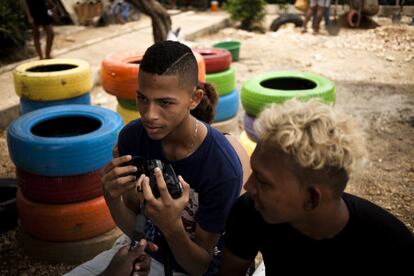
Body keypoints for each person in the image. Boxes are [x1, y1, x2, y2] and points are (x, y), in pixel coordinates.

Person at [66, 40, 244, 276]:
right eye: (142, 98)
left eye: (165, 102)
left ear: (194, 99)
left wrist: (171, 228)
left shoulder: (221, 166)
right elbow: (136, 225)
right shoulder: (133, 137)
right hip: (141, 255)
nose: (149, 115)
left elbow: (199, 265)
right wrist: (111, 198)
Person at [218, 99, 414, 274]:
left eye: (263, 181)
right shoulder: (251, 211)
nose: (248, 185)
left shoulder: (391, 247)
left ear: (312, 198)